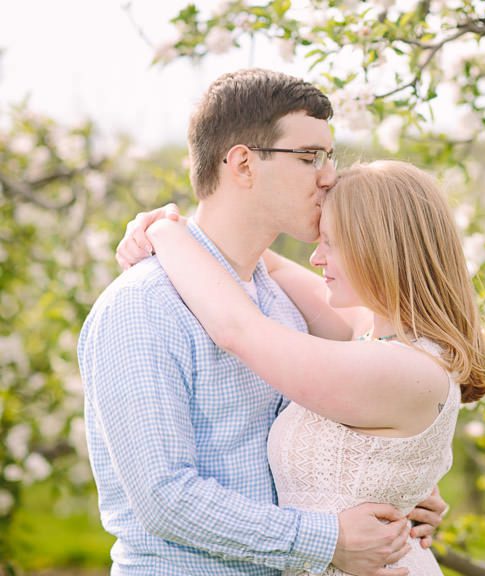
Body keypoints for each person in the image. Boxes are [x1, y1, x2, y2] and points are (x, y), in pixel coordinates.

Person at [78, 68, 447, 576]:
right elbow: (165, 498)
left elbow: (353, 415)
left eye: (329, 157)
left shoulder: (283, 303)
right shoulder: (144, 305)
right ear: (244, 164)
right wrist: (329, 539)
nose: (328, 176)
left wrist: (399, 484)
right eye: (309, 157)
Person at [123, 159, 485, 575]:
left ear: (377, 249)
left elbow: (238, 330)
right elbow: (266, 263)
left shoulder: (402, 368)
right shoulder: (374, 333)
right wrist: (180, 228)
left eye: (331, 243)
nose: (316, 258)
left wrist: (163, 232)